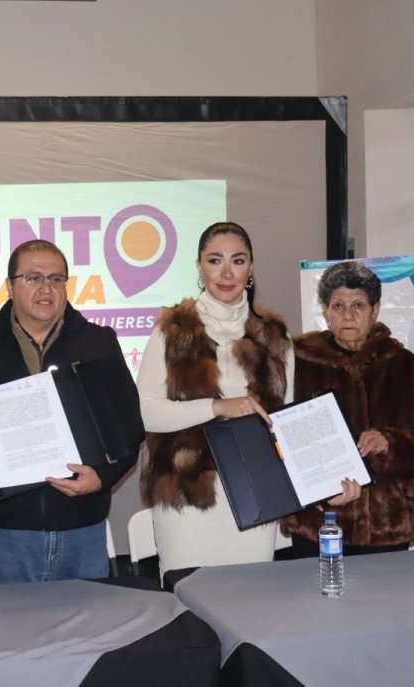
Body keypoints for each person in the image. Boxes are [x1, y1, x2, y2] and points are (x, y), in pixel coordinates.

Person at [0, 239, 144, 584]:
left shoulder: (98, 343)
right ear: (9, 287)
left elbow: (129, 428)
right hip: (9, 532)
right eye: (33, 278)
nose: (46, 288)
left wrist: (102, 479)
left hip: (83, 527)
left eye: (56, 279)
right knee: (14, 620)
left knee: (88, 619)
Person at [138, 222, 294, 578]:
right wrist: (218, 407)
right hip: (186, 498)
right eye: (214, 260)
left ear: (251, 268)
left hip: (256, 495)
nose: (226, 273)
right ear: (199, 267)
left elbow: (285, 421)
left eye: (238, 261)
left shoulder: (276, 337)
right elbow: (145, 413)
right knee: (189, 599)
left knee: (252, 600)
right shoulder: (171, 331)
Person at [281, 261, 414, 556]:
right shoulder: (297, 364)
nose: (348, 315)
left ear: (375, 310)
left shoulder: (403, 365)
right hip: (319, 523)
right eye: (338, 306)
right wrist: (317, 493)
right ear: (325, 310)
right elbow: (277, 439)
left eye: (358, 305)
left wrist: (390, 443)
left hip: (388, 525)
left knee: (386, 589)